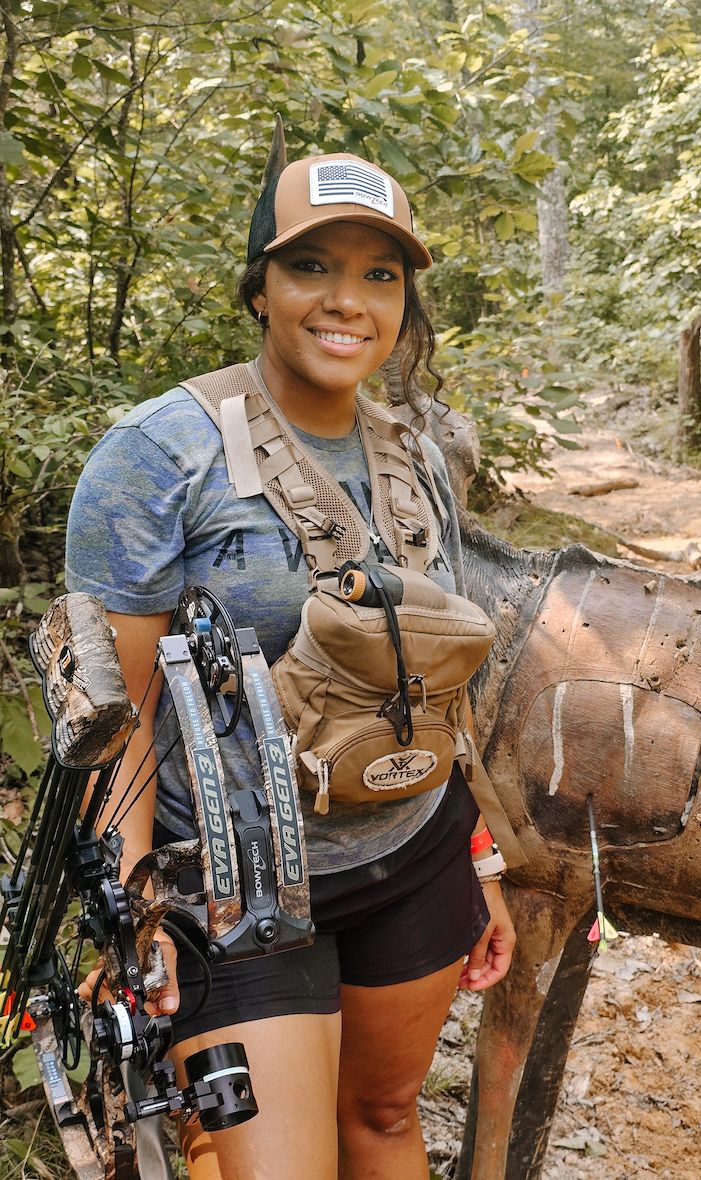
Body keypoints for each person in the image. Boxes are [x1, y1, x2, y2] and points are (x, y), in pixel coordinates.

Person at [66, 133, 516, 1179]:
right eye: (311, 265)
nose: (344, 300)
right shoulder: (159, 455)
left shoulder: (421, 448)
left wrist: (477, 850)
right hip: (236, 885)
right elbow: (113, 720)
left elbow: (437, 678)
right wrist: (137, 908)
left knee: (389, 1119)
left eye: (378, 273)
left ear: (405, 303)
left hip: (410, 851)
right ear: (260, 286)